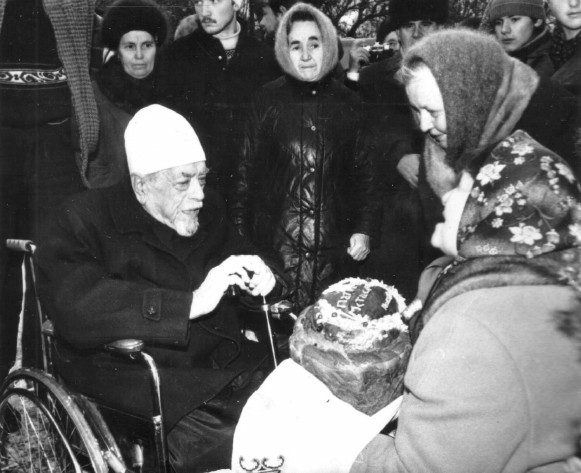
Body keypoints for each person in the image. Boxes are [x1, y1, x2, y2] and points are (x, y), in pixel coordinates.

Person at [348, 29, 581, 472]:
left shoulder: (475, 326)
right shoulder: (473, 150)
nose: (422, 126)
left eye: (433, 111)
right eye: (414, 109)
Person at [36, 105, 286, 473]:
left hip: (222, 367)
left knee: (300, 408)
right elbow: (75, 305)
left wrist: (266, 278)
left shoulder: (207, 210)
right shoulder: (84, 219)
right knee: (253, 440)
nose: (200, 194)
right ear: (141, 185)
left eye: (203, 178)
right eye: (184, 182)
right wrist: (189, 304)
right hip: (147, 384)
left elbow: (251, 259)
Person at [230, 3, 378, 311]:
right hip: (275, 256)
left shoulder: (351, 104)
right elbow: (244, 179)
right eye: (296, 46)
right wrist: (241, 247)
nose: (306, 55)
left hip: (334, 258)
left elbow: (367, 177)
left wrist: (363, 228)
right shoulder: (265, 100)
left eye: (314, 44)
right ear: (284, 50)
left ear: (329, 44)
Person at [0, 0, 99, 382]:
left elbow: (81, 51)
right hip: (2, 140)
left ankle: (53, 391)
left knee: (58, 266)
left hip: (54, 136)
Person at [344, 0, 448, 300]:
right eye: (408, 25)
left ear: (440, 27)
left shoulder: (456, 72)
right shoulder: (373, 78)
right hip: (390, 212)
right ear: (398, 31)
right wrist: (396, 155)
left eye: (426, 23)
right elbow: (357, 136)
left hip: (441, 208)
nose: (417, 33)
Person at [156, 0, 280, 203]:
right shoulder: (173, 58)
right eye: (198, 2)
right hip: (194, 194)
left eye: (214, 1)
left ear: (237, 3)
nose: (205, 10)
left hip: (252, 196)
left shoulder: (267, 60)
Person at [87, 0, 168, 188]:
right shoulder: (97, 95)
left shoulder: (173, 91)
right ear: (118, 51)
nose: (139, 55)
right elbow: (95, 172)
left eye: (147, 45)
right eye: (130, 46)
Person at [488, 0, 554, 78]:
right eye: (498, 22)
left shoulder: (554, 59)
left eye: (514, 19)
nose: (504, 30)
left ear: (537, 21)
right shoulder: (493, 60)